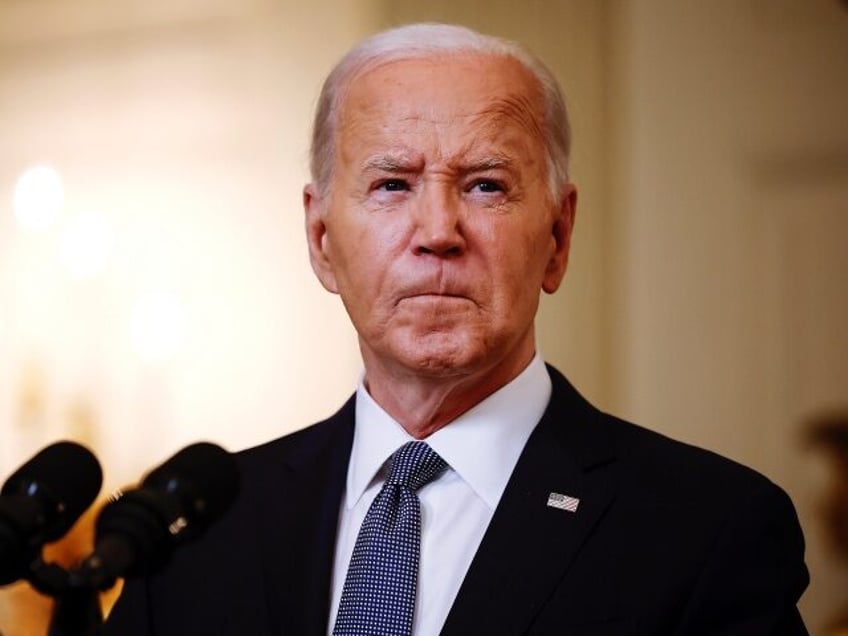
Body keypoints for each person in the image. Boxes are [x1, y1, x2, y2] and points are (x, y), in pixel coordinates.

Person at [105, 22, 809, 635]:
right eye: (391, 185)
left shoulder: (707, 532)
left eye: (485, 186)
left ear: (559, 237)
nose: (438, 232)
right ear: (321, 238)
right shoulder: (192, 535)